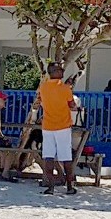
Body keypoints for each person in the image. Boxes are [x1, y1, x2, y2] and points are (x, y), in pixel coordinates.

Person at [35, 61, 80, 194]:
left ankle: (51, 187)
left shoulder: (43, 87)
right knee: (66, 157)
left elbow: (39, 101)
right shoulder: (65, 89)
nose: (62, 71)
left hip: (48, 126)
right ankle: (69, 187)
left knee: (48, 157)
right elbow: (72, 105)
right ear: (53, 72)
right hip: (63, 126)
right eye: (59, 70)